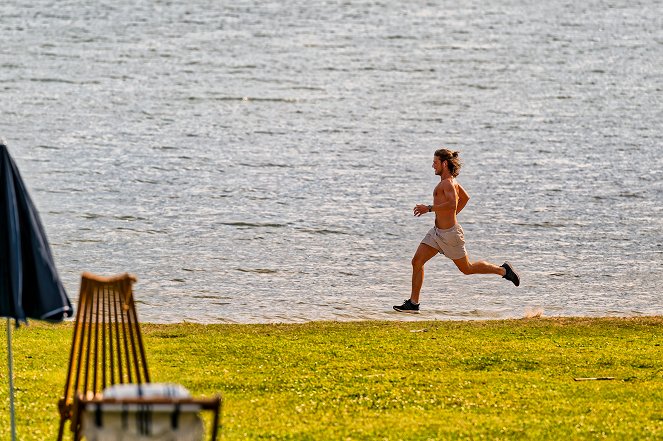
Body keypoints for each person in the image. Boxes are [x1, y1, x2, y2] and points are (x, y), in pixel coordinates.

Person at [394, 148, 520, 313]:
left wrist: (429, 208)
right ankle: (413, 303)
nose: (432, 166)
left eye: (435, 162)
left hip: (450, 235)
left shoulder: (447, 183)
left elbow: (453, 204)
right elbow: (465, 198)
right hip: (437, 233)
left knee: (467, 268)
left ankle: (503, 270)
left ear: (444, 164)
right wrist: (448, 216)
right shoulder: (451, 181)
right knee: (417, 261)